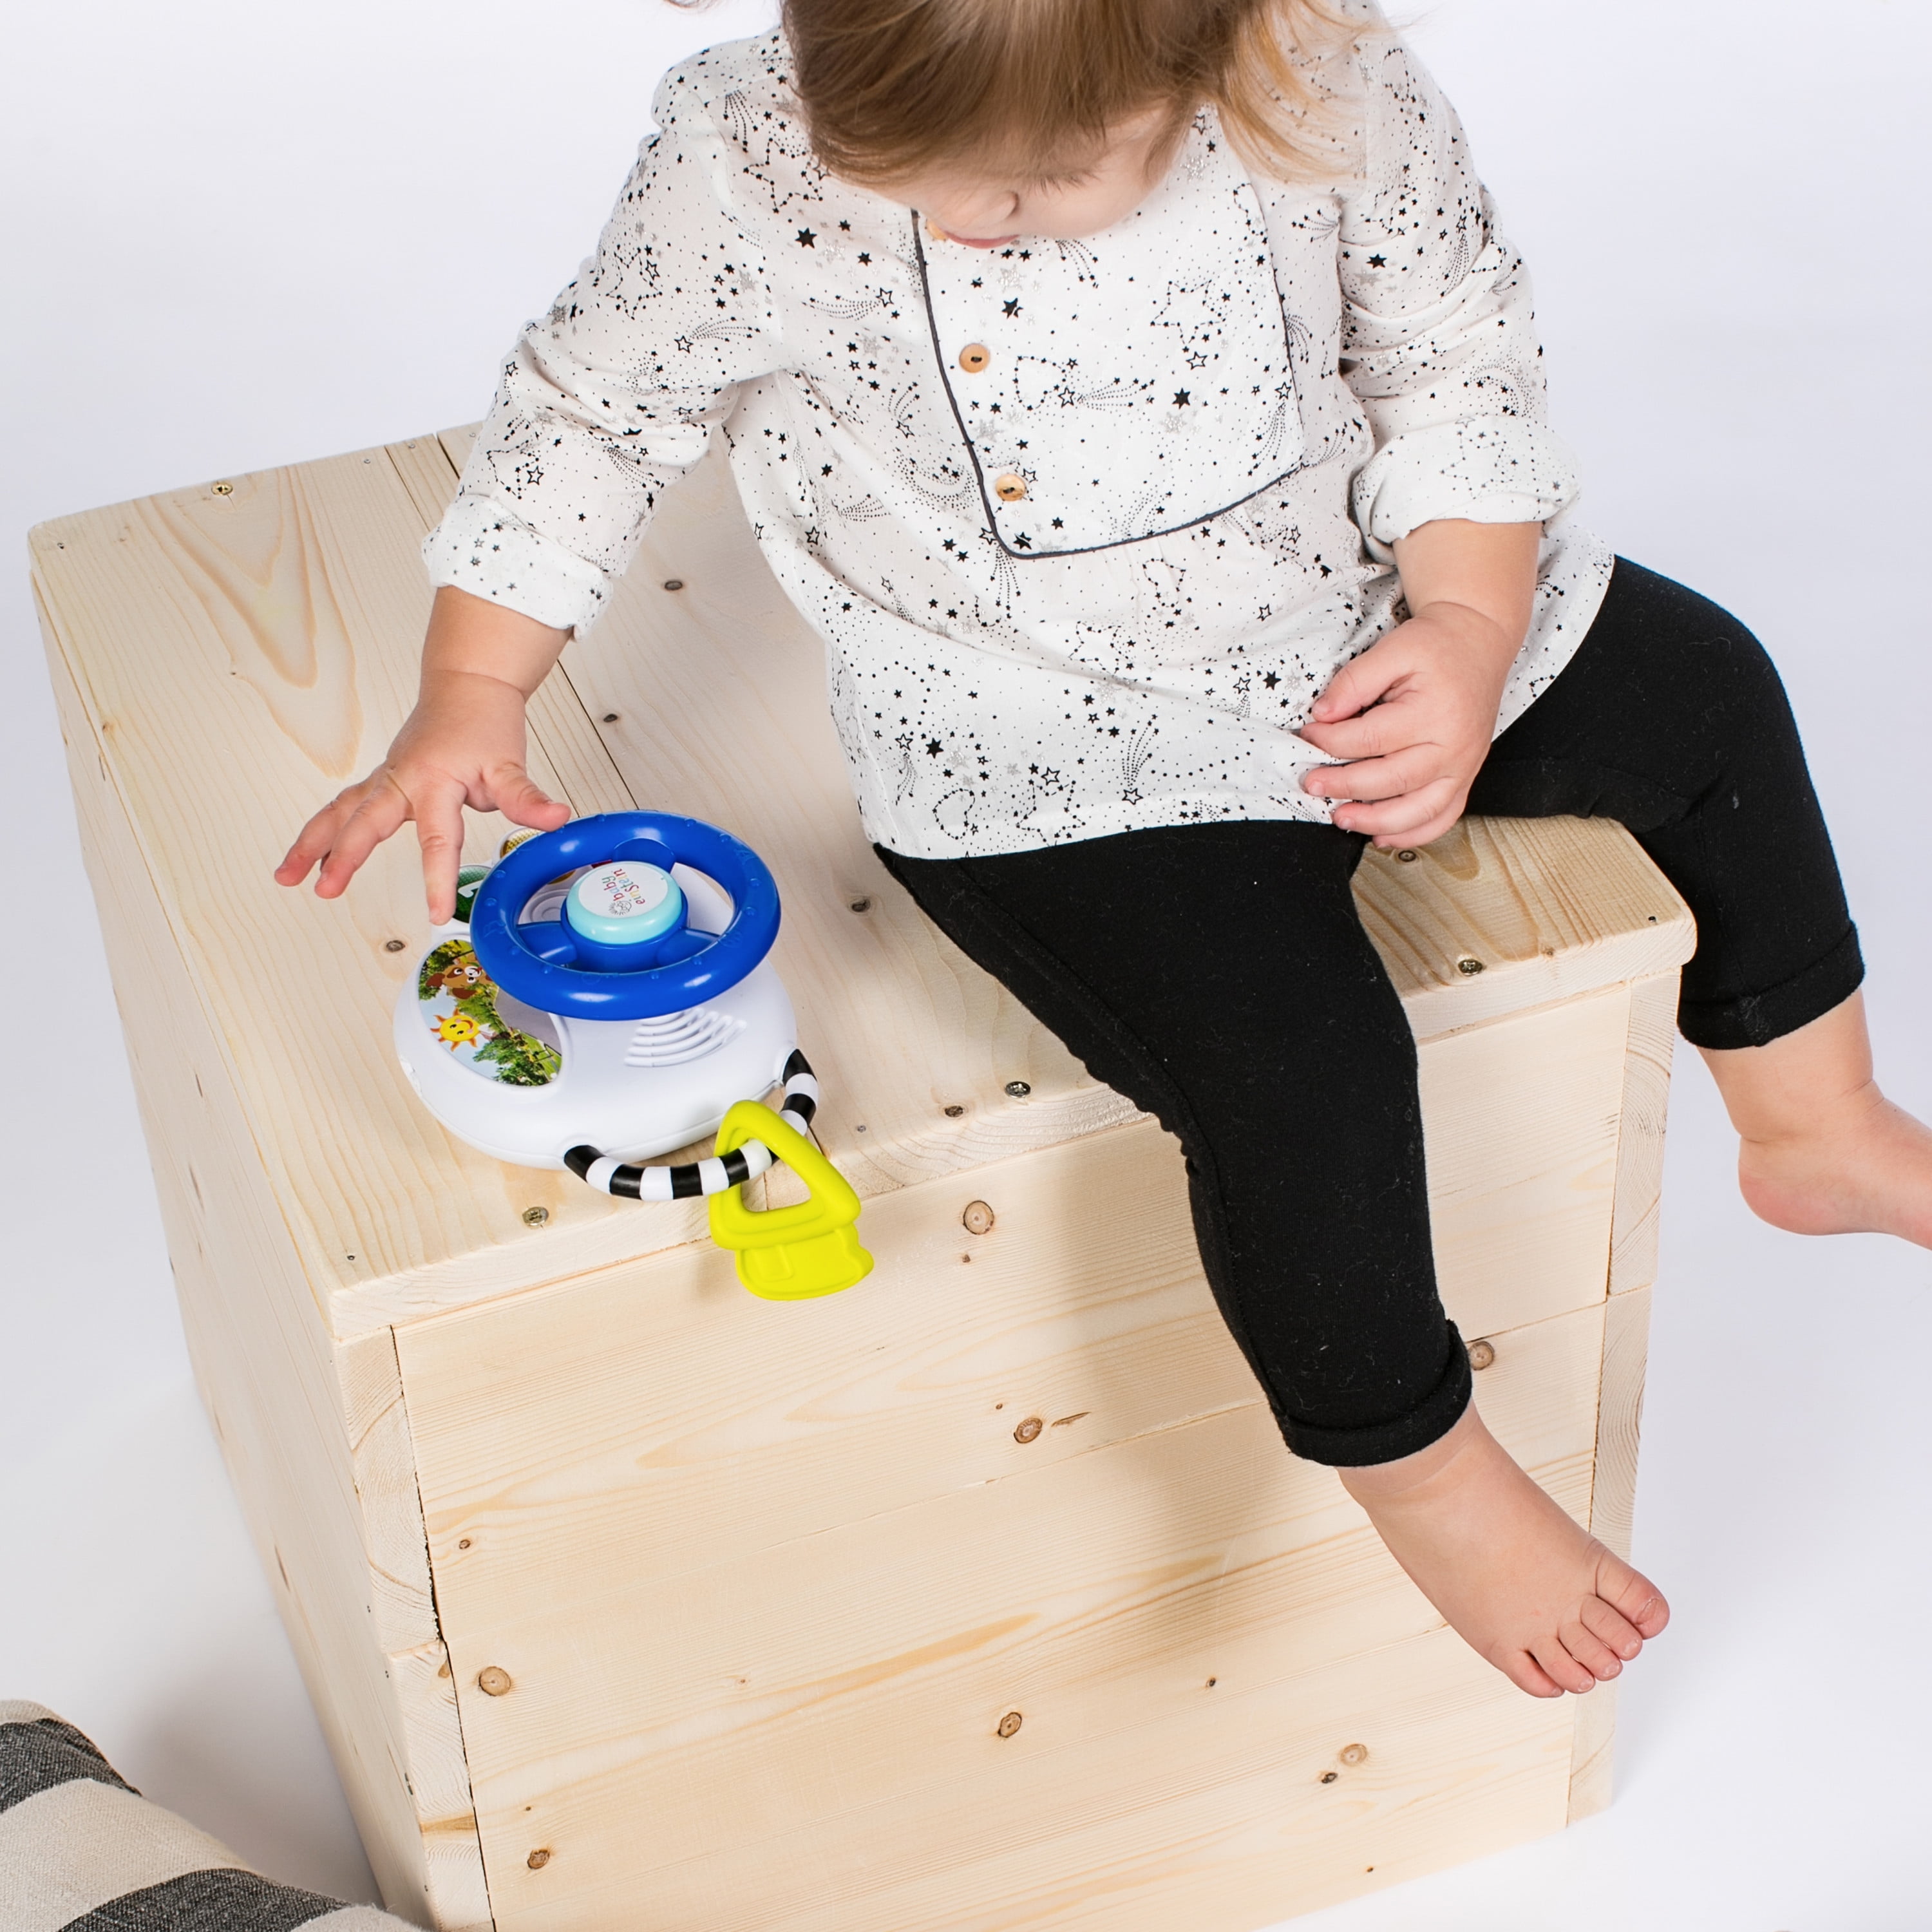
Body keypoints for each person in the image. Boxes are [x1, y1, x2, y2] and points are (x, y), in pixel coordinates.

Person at [276, 0, 1932, 1700]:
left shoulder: (1324, 86)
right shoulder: (743, 154)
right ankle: (1416, 1467)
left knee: (1712, 689)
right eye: (908, 172)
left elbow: (1454, 360)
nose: (973, 216)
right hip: (1040, 732)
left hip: (1354, 615)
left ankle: (1816, 1121)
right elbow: (588, 414)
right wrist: (470, 695)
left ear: (1211, 51)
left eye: (1048, 176)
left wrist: (1468, 625)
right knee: (1296, 1060)